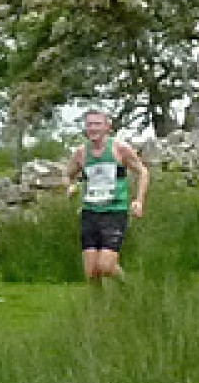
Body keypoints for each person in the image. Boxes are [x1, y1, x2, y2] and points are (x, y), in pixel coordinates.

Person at [64, 109, 149, 282]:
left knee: (105, 266)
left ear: (107, 127)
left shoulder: (119, 149)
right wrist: (70, 187)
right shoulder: (81, 153)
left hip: (114, 212)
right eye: (89, 125)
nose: (93, 128)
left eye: (97, 124)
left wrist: (139, 200)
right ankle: (97, 307)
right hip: (90, 212)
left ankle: (127, 285)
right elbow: (67, 174)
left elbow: (143, 171)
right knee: (91, 272)